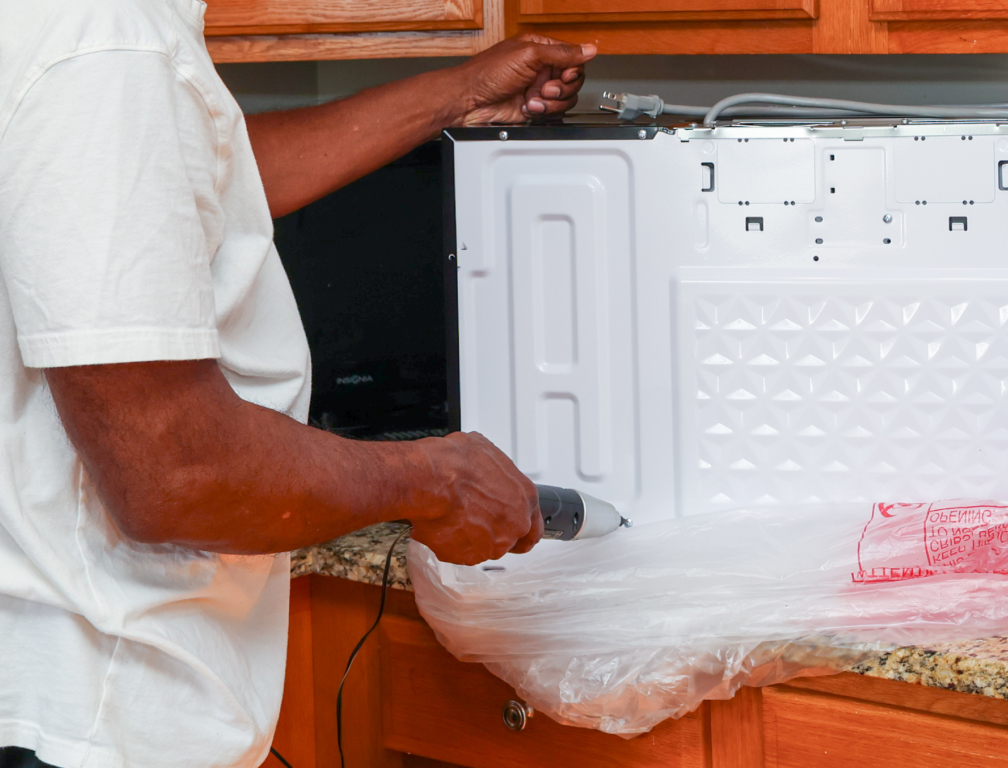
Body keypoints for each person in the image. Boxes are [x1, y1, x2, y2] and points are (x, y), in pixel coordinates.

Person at [0, 1, 596, 765]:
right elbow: (176, 472)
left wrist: (460, 95)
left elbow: (187, 184)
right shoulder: (106, 40)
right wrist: (432, 480)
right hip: (98, 709)